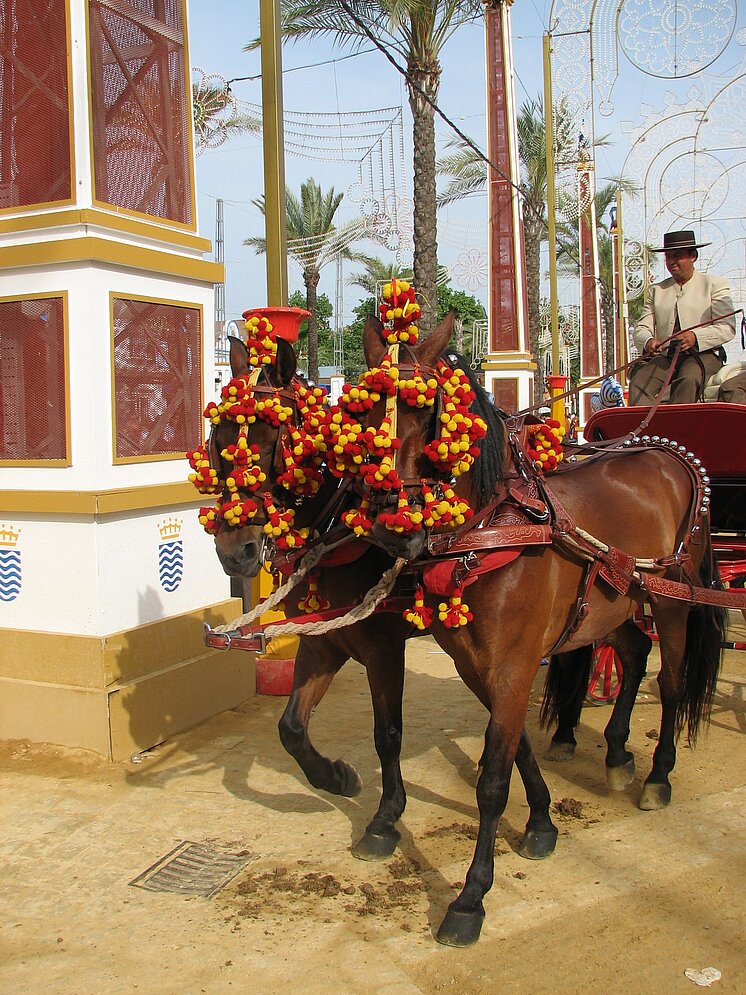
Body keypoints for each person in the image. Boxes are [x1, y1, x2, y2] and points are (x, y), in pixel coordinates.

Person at [628, 230, 736, 405]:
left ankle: (677, 430)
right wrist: (648, 341)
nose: (671, 262)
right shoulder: (657, 291)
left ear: (693, 256)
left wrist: (695, 337)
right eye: (668, 257)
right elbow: (642, 328)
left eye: (677, 256)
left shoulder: (714, 285)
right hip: (666, 357)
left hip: (703, 356)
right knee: (640, 381)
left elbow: (727, 327)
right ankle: (642, 431)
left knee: (689, 378)